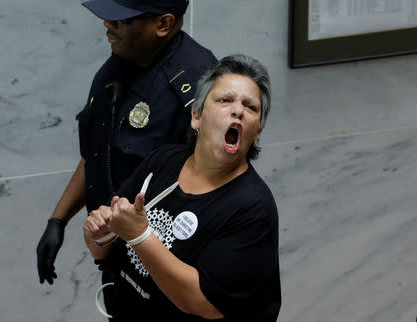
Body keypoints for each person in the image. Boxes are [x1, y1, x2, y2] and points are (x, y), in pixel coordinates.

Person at [84, 54, 281, 321]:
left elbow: (202, 302)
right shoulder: (163, 161)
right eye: (225, 100)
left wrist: (140, 236)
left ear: (257, 131)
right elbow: (105, 249)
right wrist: (99, 233)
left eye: (250, 107)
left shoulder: (253, 208)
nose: (238, 111)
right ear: (196, 116)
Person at [36, 0, 217, 291]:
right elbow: (100, 154)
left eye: (122, 20)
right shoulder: (121, 63)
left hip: (161, 274)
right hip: (115, 256)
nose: (108, 24)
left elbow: (210, 195)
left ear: (163, 24)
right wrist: (58, 219)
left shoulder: (198, 88)